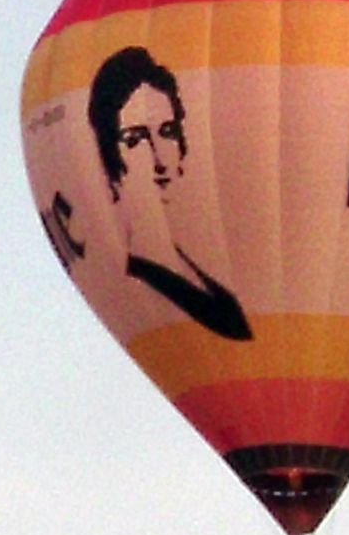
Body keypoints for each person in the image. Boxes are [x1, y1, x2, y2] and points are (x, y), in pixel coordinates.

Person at [88, 46, 252, 341]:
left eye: (167, 132)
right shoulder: (148, 279)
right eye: (135, 139)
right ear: (110, 160)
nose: (160, 160)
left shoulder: (212, 289)